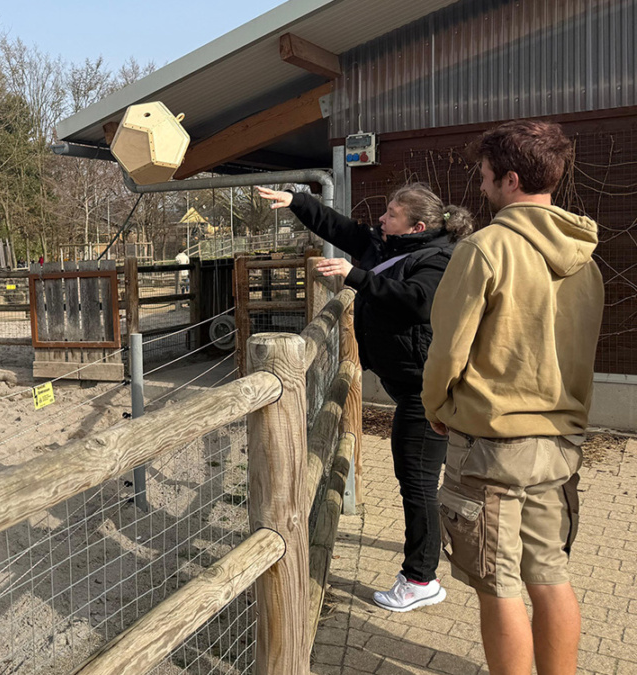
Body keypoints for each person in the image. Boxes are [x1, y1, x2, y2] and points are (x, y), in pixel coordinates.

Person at [422, 120, 602, 675]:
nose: (479, 186)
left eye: (483, 176)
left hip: (492, 445)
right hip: (559, 441)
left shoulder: (483, 249)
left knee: (496, 585)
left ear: (511, 179)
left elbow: (447, 349)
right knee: (549, 574)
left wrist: (436, 407)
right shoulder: (586, 258)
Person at [257, 183, 474, 611]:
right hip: (409, 384)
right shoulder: (387, 244)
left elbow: (416, 303)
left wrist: (354, 276)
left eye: (391, 214)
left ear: (418, 225)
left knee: (417, 482)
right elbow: (340, 227)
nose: (381, 219)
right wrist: (297, 201)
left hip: (426, 391)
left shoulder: (439, 259)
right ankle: (423, 567)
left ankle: (420, 579)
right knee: (416, 480)